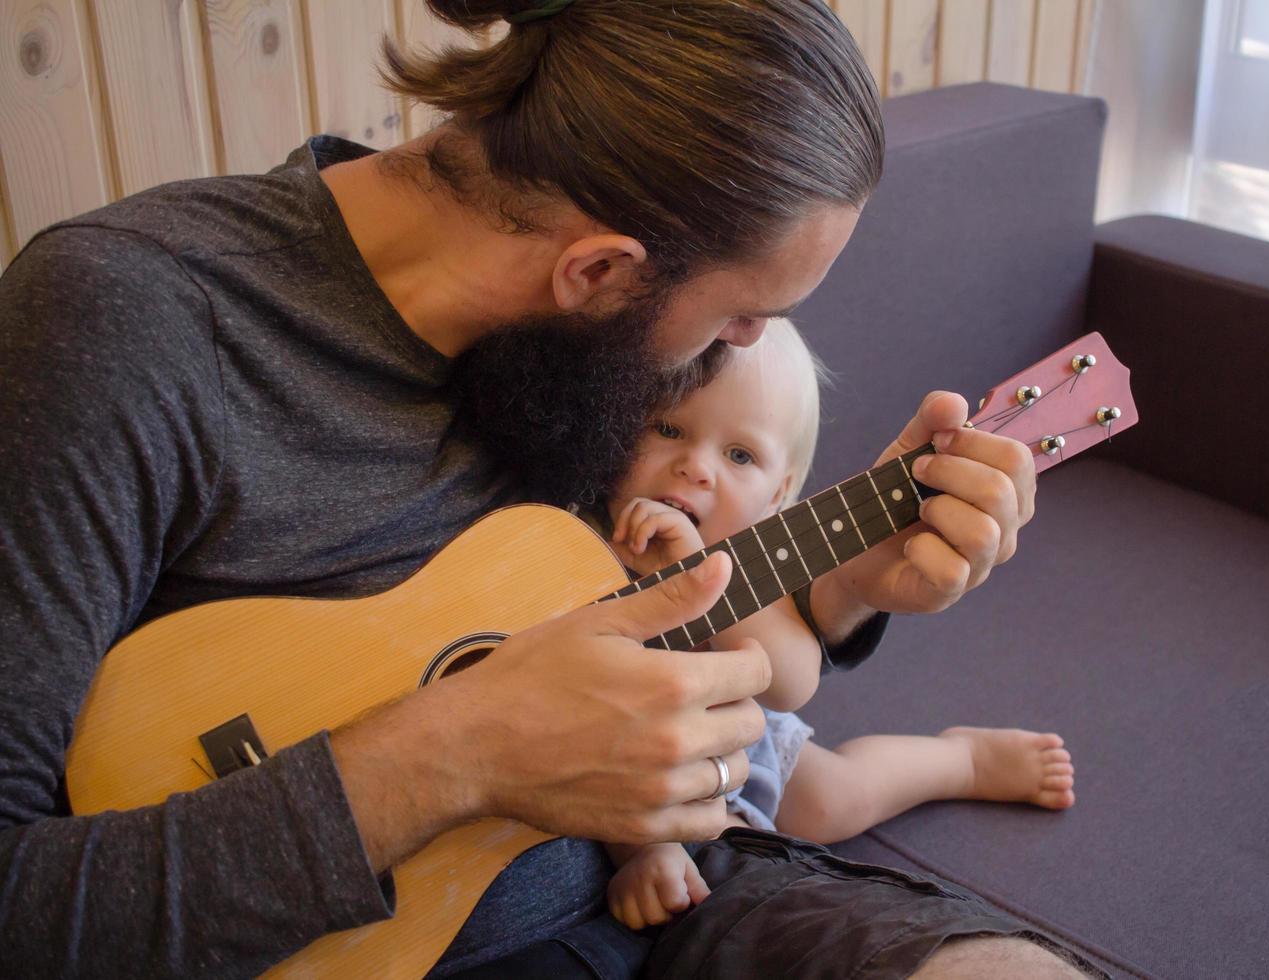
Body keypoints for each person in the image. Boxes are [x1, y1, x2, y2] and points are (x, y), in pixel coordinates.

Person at [0, 1, 1095, 977]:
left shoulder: (566, 353)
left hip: (671, 892)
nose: (739, 354)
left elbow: (631, 601)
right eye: (733, 320)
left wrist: (847, 583)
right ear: (599, 272)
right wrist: (458, 752)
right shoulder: (130, 323)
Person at [599, 319, 1077, 933]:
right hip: (637, 776)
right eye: (668, 429)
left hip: (745, 747)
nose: (695, 467)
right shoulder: (563, 539)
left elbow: (789, 683)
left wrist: (697, 577)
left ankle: (960, 760)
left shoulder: (739, 565)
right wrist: (648, 852)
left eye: (739, 455)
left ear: (780, 496)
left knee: (835, 799)